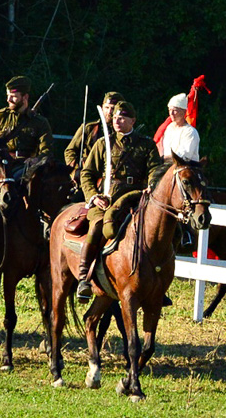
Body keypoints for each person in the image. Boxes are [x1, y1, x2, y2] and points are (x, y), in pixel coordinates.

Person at [77, 101, 163, 302]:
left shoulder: (146, 144)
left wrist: (152, 184)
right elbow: (87, 173)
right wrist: (93, 196)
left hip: (136, 200)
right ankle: (84, 278)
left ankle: (159, 281)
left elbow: (155, 170)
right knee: (98, 226)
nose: (117, 120)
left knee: (157, 231)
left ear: (133, 120)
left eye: (122, 117)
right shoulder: (103, 144)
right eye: (115, 117)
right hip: (106, 200)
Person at [0, 76, 53, 161]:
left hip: (27, 166)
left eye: (13, 96)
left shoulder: (40, 122)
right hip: (1, 165)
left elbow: (47, 150)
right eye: (8, 95)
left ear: (25, 97)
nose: (8, 99)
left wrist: (37, 160)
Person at [64, 91, 125, 186]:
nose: (109, 112)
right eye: (106, 107)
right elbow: (70, 151)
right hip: (87, 178)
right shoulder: (89, 128)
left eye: (113, 108)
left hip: (113, 180)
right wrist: (76, 170)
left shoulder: (123, 132)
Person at [159, 93, 200, 162]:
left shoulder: (190, 132)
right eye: (169, 110)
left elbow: (184, 156)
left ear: (184, 111)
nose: (171, 113)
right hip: (167, 164)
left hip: (185, 167)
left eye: (175, 110)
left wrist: (163, 159)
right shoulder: (169, 128)